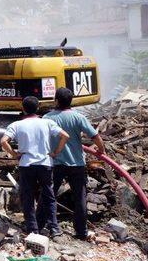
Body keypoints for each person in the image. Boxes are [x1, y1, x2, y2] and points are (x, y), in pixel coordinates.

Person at [1, 96, 69, 236]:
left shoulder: (17, 125)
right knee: (49, 197)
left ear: (23, 108)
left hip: (26, 165)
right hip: (45, 164)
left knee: (28, 197)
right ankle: (54, 228)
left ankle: (32, 229)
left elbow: (3, 141)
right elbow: (65, 136)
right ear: (38, 108)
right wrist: (56, 152)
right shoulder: (47, 123)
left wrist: (14, 154)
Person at [44, 87, 105, 240]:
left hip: (55, 163)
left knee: (49, 196)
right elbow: (95, 136)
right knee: (80, 198)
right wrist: (101, 151)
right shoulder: (78, 117)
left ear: (56, 100)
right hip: (77, 164)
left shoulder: (47, 118)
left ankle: (48, 226)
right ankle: (81, 232)